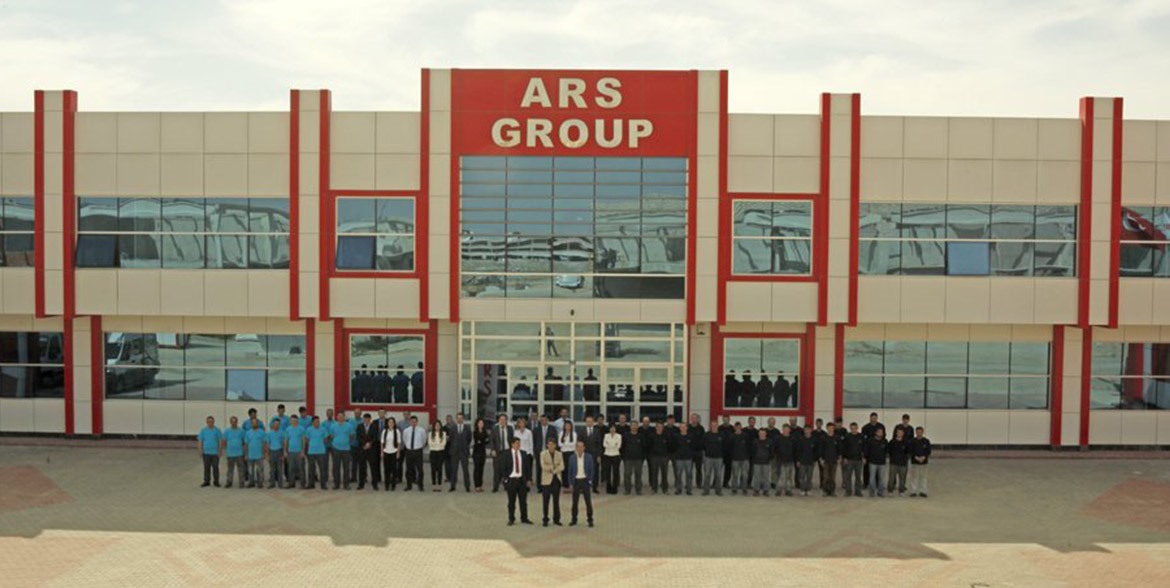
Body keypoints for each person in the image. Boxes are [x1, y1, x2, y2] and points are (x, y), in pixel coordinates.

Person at [498, 437, 533, 526]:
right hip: (512, 480)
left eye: (519, 443)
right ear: (512, 444)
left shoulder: (524, 454)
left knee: (523, 501)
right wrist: (505, 479)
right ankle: (511, 518)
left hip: (521, 480)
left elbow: (528, 468)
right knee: (511, 501)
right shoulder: (506, 454)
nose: (519, 445)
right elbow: (503, 467)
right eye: (517, 443)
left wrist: (529, 479)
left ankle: (524, 518)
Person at [567, 440, 595, 527]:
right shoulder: (572, 458)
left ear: (584, 448)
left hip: (585, 481)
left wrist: (590, 480)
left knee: (588, 501)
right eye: (578, 447)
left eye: (581, 447)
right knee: (575, 502)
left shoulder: (589, 457)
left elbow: (591, 469)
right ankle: (574, 519)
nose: (580, 448)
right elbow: (569, 471)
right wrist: (570, 483)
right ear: (576, 448)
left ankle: (590, 519)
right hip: (576, 481)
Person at [539, 438, 564, 527]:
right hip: (546, 481)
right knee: (546, 501)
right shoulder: (543, 454)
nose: (551, 446)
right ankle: (545, 519)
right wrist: (552, 467)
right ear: (547, 445)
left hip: (556, 480)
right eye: (549, 444)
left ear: (555, 445)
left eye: (552, 444)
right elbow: (543, 465)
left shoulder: (559, 454)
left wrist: (554, 470)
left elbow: (562, 466)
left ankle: (556, 519)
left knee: (556, 501)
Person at [447, 413, 472, 492]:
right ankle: (452, 486)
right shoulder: (453, 428)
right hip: (455, 452)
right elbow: (450, 439)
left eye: (461, 418)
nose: (460, 419)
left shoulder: (467, 428)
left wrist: (465, 446)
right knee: (454, 470)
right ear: (456, 419)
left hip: (464, 452)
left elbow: (469, 439)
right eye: (458, 418)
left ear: (463, 419)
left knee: (465, 470)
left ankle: (467, 486)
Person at [620, 419, 645, 495]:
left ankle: (638, 490)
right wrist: (624, 456)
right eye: (632, 425)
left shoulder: (641, 436)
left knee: (638, 475)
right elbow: (622, 446)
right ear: (630, 427)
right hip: (628, 459)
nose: (634, 427)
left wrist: (642, 457)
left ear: (637, 426)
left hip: (638, 459)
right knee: (627, 475)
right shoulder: (626, 435)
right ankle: (627, 490)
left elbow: (644, 447)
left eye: (635, 425)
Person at [356, 413, 381, 490]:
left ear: (370, 419)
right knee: (362, 468)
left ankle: (375, 484)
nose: (366, 420)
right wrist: (364, 444)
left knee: (373, 468)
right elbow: (358, 437)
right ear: (363, 419)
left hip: (372, 450)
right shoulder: (359, 426)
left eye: (368, 419)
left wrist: (370, 443)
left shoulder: (374, 426)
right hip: (362, 449)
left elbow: (376, 437)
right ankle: (361, 484)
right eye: (365, 419)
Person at [330, 413, 354, 490]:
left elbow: (352, 436)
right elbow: (331, 436)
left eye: (342, 416)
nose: (340, 417)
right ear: (337, 417)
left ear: (344, 417)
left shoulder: (349, 425)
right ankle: (336, 484)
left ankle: (346, 484)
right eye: (339, 416)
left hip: (346, 449)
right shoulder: (333, 425)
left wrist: (347, 442)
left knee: (346, 467)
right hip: (336, 448)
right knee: (336, 467)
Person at [579, 415, 603, 492]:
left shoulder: (597, 431)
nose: (589, 423)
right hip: (585, 454)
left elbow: (599, 444)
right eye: (587, 421)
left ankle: (595, 487)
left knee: (595, 471)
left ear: (593, 422)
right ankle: (583, 487)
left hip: (595, 455)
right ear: (586, 422)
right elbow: (580, 443)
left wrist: (599, 455)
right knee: (584, 471)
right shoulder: (582, 431)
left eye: (590, 421)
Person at [490, 415, 514, 493]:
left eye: (504, 420)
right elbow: (492, 440)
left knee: (507, 469)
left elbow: (512, 440)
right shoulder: (495, 428)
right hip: (498, 452)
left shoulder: (510, 428)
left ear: (506, 421)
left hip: (507, 451)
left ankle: (507, 485)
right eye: (501, 419)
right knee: (497, 470)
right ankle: (495, 486)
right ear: (499, 420)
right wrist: (493, 450)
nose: (502, 421)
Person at [197, 416, 222, 488]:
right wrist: (200, 450)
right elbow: (200, 441)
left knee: (215, 467)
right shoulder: (203, 431)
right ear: (207, 422)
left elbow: (220, 441)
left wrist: (220, 451)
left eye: (212, 421)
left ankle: (216, 481)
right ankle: (206, 481)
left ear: (214, 422)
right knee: (206, 468)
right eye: (209, 422)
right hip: (206, 453)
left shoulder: (217, 430)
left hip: (215, 453)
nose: (210, 423)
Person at [841, 422, 864, 497]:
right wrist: (844, 458)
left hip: (859, 460)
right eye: (852, 428)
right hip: (849, 460)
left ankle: (858, 491)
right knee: (848, 476)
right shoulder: (847, 437)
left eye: (855, 428)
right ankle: (848, 491)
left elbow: (864, 448)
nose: (853, 430)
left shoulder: (861, 436)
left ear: (857, 428)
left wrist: (864, 457)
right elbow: (844, 448)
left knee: (858, 477)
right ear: (850, 429)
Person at [305, 416, 329, 490]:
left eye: (318, 421)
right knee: (311, 469)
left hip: (321, 451)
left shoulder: (323, 429)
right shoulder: (309, 429)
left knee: (322, 468)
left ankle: (323, 484)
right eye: (315, 421)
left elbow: (326, 439)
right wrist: (312, 445)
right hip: (311, 451)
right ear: (312, 422)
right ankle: (311, 484)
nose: (317, 423)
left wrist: (320, 444)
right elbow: (307, 439)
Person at [701, 420, 724, 496]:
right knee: (707, 474)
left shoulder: (721, 435)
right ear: (710, 426)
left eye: (715, 425)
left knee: (718, 475)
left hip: (719, 458)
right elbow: (703, 446)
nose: (714, 426)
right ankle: (706, 490)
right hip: (708, 458)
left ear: (717, 426)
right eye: (712, 425)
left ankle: (718, 491)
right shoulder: (706, 435)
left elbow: (725, 446)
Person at [647, 423, 671, 495]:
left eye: (661, 427)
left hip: (664, 457)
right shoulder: (651, 436)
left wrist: (667, 455)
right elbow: (648, 446)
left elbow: (670, 446)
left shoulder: (666, 436)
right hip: (654, 457)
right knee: (654, 473)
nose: (660, 428)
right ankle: (654, 489)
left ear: (663, 428)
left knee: (664, 473)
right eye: (658, 427)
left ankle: (665, 489)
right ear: (656, 427)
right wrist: (651, 455)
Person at [861, 412, 884, 486]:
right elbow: (863, 441)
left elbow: (883, 438)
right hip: (868, 451)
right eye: (872, 418)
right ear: (870, 418)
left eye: (875, 418)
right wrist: (864, 453)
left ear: (877, 418)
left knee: (877, 468)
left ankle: (876, 484)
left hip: (877, 450)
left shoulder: (881, 426)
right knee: (866, 468)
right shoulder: (865, 427)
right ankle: (865, 483)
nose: (874, 419)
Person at [673, 422, 696, 496]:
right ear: (679, 428)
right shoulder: (676, 436)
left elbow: (693, 446)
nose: (683, 428)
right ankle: (678, 489)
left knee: (689, 474)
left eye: (684, 427)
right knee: (678, 474)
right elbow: (673, 446)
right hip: (679, 458)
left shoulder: (691, 436)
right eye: (681, 427)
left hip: (688, 458)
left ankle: (689, 489)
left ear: (687, 428)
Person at [222, 416, 246, 489]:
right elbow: (224, 441)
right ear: (230, 422)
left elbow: (244, 442)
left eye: (235, 421)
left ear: (237, 422)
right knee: (230, 469)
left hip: (239, 453)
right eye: (232, 422)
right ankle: (229, 482)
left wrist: (244, 451)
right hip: (230, 454)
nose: (233, 423)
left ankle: (241, 482)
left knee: (241, 469)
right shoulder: (226, 431)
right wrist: (226, 449)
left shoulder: (241, 431)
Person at [865, 427, 889, 497]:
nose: (880, 433)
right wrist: (865, 458)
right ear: (875, 432)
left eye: (881, 432)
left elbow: (887, 451)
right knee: (872, 478)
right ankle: (872, 492)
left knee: (881, 479)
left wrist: (886, 458)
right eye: (879, 432)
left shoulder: (885, 441)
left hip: (882, 463)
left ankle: (880, 492)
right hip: (872, 462)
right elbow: (867, 450)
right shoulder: (870, 441)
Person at [887, 426, 911, 497]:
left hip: (903, 464)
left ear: (903, 434)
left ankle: (901, 490)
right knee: (891, 478)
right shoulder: (892, 442)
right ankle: (890, 490)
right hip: (893, 463)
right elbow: (889, 451)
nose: (899, 434)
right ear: (896, 433)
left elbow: (908, 452)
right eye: (898, 432)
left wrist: (905, 460)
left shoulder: (906, 442)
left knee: (902, 478)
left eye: (901, 432)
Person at [818, 422, 840, 497]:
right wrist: (820, 458)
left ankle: (832, 491)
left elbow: (839, 449)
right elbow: (820, 449)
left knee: (832, 477)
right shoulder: (823, 438)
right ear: (827, 428)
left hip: (834, 460)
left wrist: (839, 458)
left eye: (832, 428)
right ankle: (825, 491)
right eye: (829, 428)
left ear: (833, 428)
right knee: (826, 477)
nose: (830, 429)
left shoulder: (837, 438)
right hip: (825, 461)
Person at [909, 426, 931, 498]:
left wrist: (924, 457)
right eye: (917, 432)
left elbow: (928, 451)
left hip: (924, 462)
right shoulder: (912, 441)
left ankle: (923, 491)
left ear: (922, 432)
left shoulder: (926, 441)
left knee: (923, 477)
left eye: (920, 432)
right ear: (916, 432)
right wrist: (916, 457)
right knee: (914, 477)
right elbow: (910, 451)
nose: (919, 433)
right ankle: (913, 491)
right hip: (914, 462)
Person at [774, 424, 796, 497]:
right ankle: (778, 490)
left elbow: (795, 450)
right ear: (782, 429)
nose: (785, 430)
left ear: (789, 430)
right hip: (780, 461)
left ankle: (788, 490)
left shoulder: (792, 439)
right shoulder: (778, 438)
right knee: (780, 476)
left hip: (790, 460)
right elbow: (775, 449)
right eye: (784, 429)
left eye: (787, 429)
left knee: (789, 477)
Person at [795, 425, 817, 496]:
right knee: (801, 477)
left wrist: (815, 460)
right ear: (804, 431)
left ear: (811, 430)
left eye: (808, 429)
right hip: (802, 461)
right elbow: (798, 451)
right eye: (805, 430)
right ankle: (802, 490)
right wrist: (798, 460)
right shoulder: (801, 439)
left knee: (809, 477)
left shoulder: (814, 440)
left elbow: (816, 451)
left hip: (811, 461)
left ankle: (808, 489)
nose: (807, 431)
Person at [749, 428, 772, 496]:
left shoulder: (769, 441)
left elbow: (772, 451)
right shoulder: (755, 441)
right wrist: (754, 459)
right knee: (757, 477)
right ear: (758, 434)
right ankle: (756, 490)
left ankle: (766, 491)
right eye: (760, 433)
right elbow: (752, 451)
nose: (762, 434)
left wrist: (769, 458)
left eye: (763, 433)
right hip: (757, 462)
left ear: (766, 434)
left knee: (766, 477)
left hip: (766, 462)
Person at [285, 415, 306, 489]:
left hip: (299, 451)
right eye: (292, 420)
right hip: (290, 451)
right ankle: (291, 483)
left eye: (295, 420)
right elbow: (286, 440)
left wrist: (303, 451)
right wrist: (285, 451)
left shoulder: (301, 429)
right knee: (291, 468)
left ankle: (302, 484)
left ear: (297, 421)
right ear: (290, 421)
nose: (293, 421)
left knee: (301, 468)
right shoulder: (288, 429)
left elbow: (303, 440)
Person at [728, 423, 750, 495]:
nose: (738, 428)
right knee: (735, 475)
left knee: (745, 475)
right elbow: (729, 447)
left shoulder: (745, 436)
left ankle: (744, 489)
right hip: (735, 459)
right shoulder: (731, 436)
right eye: (736, 427)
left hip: (745, 459)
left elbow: (749, 446)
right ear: (734, 428)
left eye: (739, 427)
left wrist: (748, 456)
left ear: (741, 427)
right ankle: (734, 489)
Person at [380, 416, 400, 491]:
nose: (391, 423)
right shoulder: (384, 431)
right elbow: (382, 443)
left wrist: (398, 453)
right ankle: (387, 485)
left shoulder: (397, 431)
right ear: (387, 423)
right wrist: (382, 452)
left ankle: (393, 485)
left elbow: (398, 443)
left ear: (394, 423)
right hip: (386, 452)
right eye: (389, 422)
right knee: (386, 470)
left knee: (394, 470)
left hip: (394, 452)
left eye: (392, 422)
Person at [265, 418, 285, 489]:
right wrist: (267, 454)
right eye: (275, 424)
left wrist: (283, 453)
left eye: (278, 424)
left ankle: (280, 484)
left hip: (279, 451)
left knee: (279, 469)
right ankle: (272, 483)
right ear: (273, 424)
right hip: (271, 451)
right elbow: (267, 444)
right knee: (272, 469)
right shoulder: (269, 433)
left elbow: (283, 443)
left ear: (279, 425)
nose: (276, 425)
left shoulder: (282, 433)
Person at [601, 424, 622, 494]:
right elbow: (604, 444)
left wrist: (610, 445)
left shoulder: (619, 436)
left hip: (616, 455)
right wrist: (613, 445)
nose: (612, 429)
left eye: (614, 428)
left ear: (615, 429)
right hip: (607, 455)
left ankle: (614, 489)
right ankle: (608, 488)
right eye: (611, 428)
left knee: (615, 472)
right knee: (608, 472)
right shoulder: (606, 435)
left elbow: (618, 446)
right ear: (609, 429)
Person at [428, 420, 448, 492]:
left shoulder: (443, 433)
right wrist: (438, 444)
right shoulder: (430, 434)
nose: (437, 427)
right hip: (433, 453)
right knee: (433, 469)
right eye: (436, 425)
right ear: (434, 426)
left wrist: (436, 444)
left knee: (439, 469)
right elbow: (430, 443)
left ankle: (439, 485)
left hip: (440, 452)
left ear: (440, 426)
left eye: (438, 425)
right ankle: (434, 484)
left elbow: (444, 444)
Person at [472, 417, 490, 492]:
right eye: (479, 423)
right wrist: (483, 441)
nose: (481, 424)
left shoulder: (485, 432)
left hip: (482, 452)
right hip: (476, 452)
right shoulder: (475, 432)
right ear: (477, 424)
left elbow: (487, 441)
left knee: (481, 469)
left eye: (482, 423)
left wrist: (482, 441)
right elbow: (477, 441)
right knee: (476, 469)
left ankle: (480, 485)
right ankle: (476, 485)